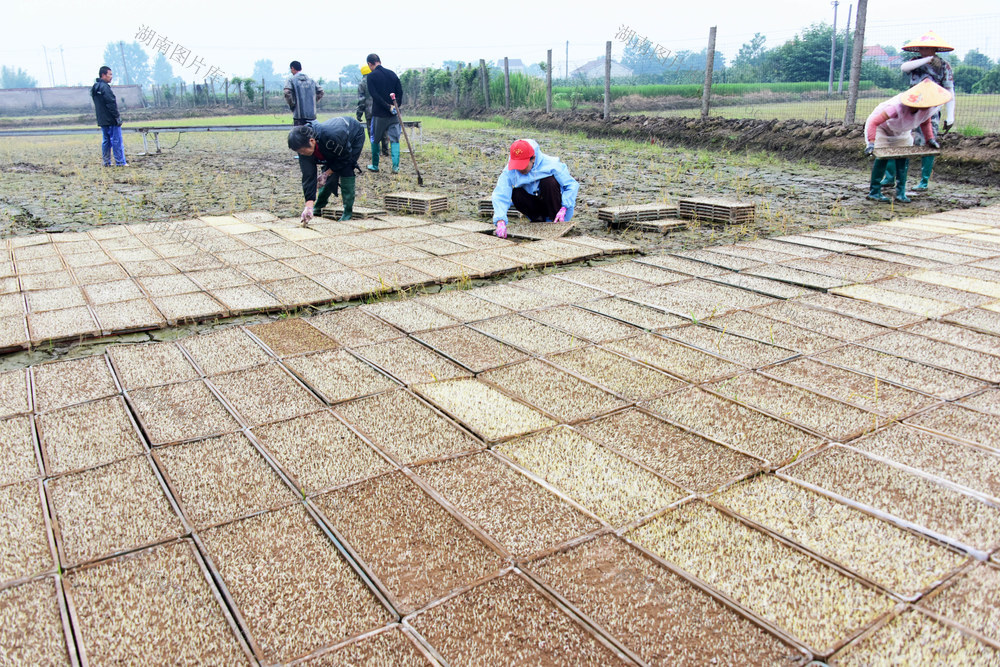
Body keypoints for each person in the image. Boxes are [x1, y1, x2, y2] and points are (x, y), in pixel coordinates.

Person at [881, 30, 956, 191]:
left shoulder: (944, 66)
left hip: (931, 109)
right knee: (899, 139)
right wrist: (927, 60)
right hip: (910, 107)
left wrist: (951, 115)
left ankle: (924, 181)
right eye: (922, 48)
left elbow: (950, 91)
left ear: (935, 49)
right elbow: (904, 67)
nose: (924, 50)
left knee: (928, 142)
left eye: (928, 48)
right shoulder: (915, 62)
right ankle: (889, 177)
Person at [864, 79, 950, 203]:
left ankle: (900, 193)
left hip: (901, 130)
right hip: (880, 127)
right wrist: (871, 142)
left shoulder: (927, 109)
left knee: (903, 158)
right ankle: (874, 192)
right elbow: (874, 122)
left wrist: (930, 139)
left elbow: (925, 122)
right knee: (882, 156)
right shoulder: (896, 107)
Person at [490, 139, 579, 238]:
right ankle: (538, 220)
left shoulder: (551, 164)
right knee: (516, 193)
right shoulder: (510, 171)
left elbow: (571, 186)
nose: (520, 169)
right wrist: (500, 220)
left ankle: (555, 221)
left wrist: (564, 207)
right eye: (517, 166)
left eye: (523, 166)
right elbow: (501, 193)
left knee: (549, 181)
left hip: (555, 206)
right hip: (534, 205)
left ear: (533, 159)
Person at [288, 117, 365, 224]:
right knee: (326, 173)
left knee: (346, 168)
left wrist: (327, 173)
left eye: (301, 151)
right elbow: (308, 175)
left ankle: (348, 212)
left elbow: (345, 158)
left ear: (312, 141)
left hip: (353, 134)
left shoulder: (331, 137)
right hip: (330, 145)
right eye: (298, 152)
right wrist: (308, 206)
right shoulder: (303, 146)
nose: (301, 154)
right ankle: (318, 207)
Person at [363, 53, 403, 173]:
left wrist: (386, 107)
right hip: (394, 114)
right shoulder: (392, 74)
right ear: (379, 61)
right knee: (395, 139)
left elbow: (374, 95)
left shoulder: (371, 77)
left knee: (375, 138)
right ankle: (395, 167)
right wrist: (395, 106)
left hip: (379, 114)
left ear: (370, 64)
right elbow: (400, 92)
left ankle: (375, 165)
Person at [90, 66, 127, 167]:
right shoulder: (105, 88)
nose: (111, 77)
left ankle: (106, 162)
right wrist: (117, 117)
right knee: (116, 140)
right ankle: (120, 162)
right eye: (109, 74)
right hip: (111, 119)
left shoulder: (94, 88)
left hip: (102, 120)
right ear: (103, 75)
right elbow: (111, 103)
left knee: (106, 140)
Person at [356, 64, 389, 157]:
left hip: (370, 111)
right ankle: (385, 150)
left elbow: (362, 100)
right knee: (384, 130)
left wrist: (359, 113)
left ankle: (376, 152)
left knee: (372, 132)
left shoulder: (362, 83)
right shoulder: (380, 80)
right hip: (382, 110)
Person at [283, 61, 324, 126]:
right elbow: (321, 91)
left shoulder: (291, 80)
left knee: (299, 134)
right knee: (312, 134)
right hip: (312, 115)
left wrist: (292, 104)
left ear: (292, 68)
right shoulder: (311, 80)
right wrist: (313, 101)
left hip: (298, 116)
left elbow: (287, 92)